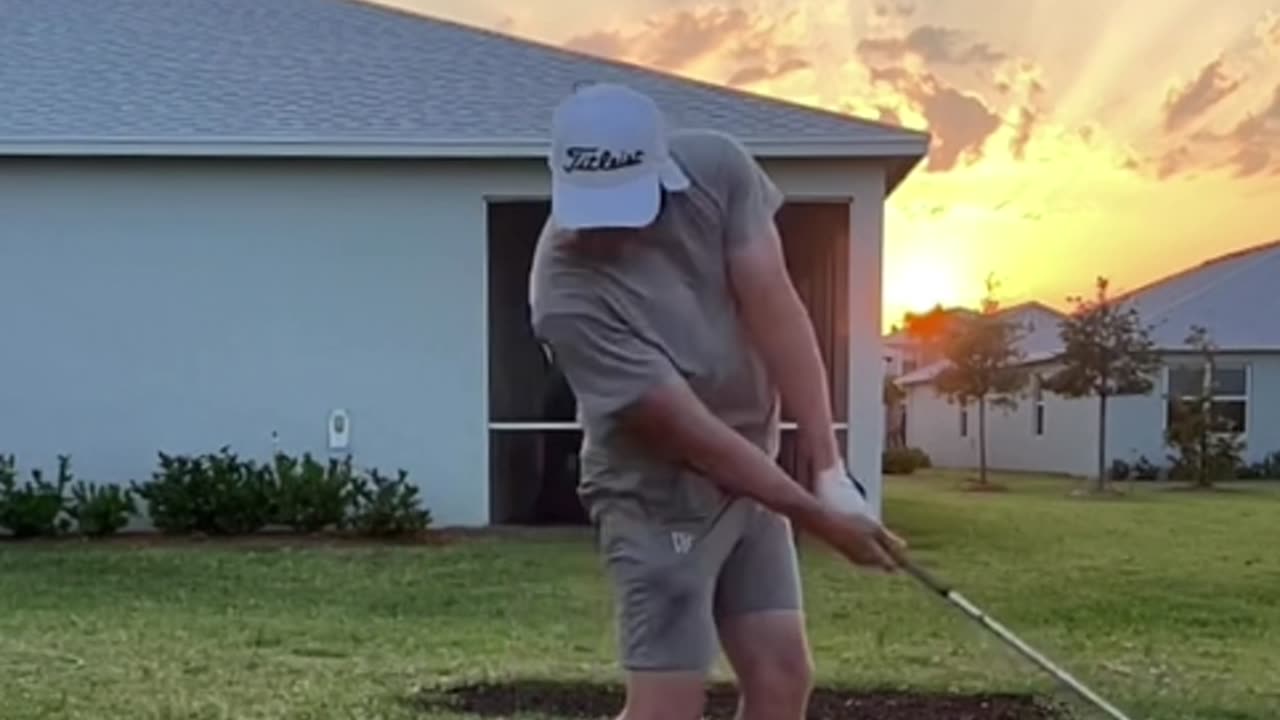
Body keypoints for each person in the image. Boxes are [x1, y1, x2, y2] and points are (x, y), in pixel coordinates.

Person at [528, 82, 907, 720]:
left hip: (752, 476)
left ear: (661, 171)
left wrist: (828, 466)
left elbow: (776, 309)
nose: (603, 229)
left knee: (783, 676)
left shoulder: (716, 170)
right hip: (656, 495)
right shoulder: (565, 299)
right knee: (668, 707)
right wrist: (821, 519)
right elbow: (693, 438)